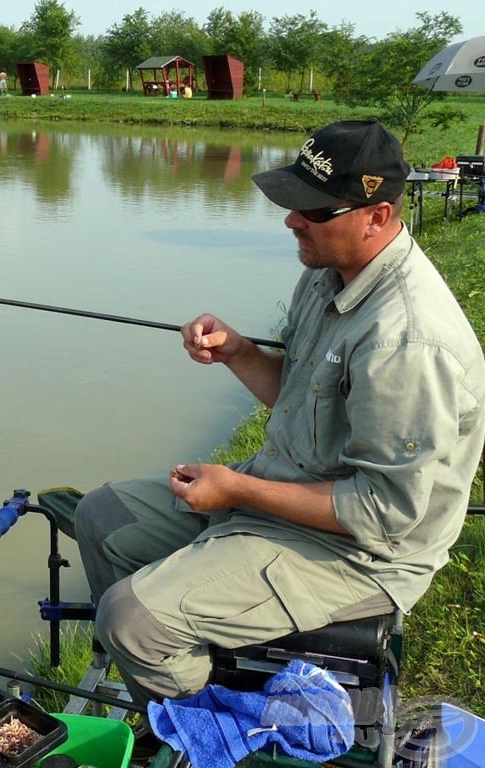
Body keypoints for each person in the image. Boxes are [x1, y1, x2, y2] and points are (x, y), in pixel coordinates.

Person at [74, 119, 485, 706]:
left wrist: (236, 489)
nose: (292, 219)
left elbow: (384, 514)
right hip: (286, 497)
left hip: (359, 557)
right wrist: (238, 351)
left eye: (314, 210)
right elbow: (299, 393)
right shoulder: (328, 273)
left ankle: (210, 730)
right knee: (104, 516)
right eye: (293, 202)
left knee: (131, 618)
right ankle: (176, 677)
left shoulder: (408, 342)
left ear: (378, 217)